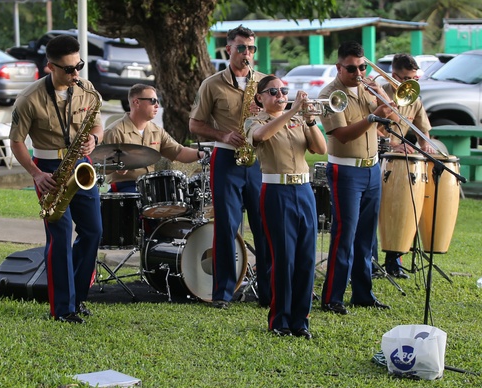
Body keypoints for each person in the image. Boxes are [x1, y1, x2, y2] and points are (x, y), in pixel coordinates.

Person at [9, 34, 103, 323]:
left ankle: (78, 295)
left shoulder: (87, 88)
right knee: (60, 237)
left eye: (79, 66)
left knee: (94, 231)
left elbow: (98, 121)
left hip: (81, 164)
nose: (76, 74)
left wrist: (95, 139)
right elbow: (16, 142)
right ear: (50, 66)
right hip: (49, 166)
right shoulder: (28, 98)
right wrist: (36, 175)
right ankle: (62, 308)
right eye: (69, 69)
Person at [189, 25, 271, 308]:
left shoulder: (264, 81)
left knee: (265, 226)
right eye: (241, 48)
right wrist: (223, 135)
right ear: (228, 50)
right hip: (226, 158)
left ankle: (270, 290)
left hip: (260, 159)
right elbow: (195, 124)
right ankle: (223, 292)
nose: (247, 54)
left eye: (251, 49)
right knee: (226, 226)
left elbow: (279, 114)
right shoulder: (211, 83)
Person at [245, 77, 326, 339]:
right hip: (276, 191)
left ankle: (301, 320)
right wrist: (292, 109)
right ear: (260, 98)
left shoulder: (299, 120)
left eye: (283, 91)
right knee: (284, 258)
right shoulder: (255, 120)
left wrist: (310, 119)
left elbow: (320, 148)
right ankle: (280, 320)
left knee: (306, 258)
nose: (280, 95)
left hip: (304, 190)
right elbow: (260, 137)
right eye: (273, 92)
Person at [318, 41, 394, 314]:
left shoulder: (366, 88)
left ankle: (363, 294)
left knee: (365, 236)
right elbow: (343, 134)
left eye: (363, 66)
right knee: (344, 234)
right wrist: (373, 117)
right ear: (339, 67)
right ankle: (332, 297)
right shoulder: (330, 95)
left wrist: (383, 97)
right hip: (345, 169)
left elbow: (390, 116)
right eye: (352, 68)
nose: (358, 72)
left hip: (372, 168)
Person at [377, 53, 435, 278]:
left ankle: (394, 262)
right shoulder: (378, 94)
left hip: (398, 163)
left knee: (399, 211)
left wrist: (427, 148)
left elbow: (423, 131)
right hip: (376, 157)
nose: (411, 85)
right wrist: (394, 144)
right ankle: (370, 261)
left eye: (415, 80)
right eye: (406, 80)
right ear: (393, 76)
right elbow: (370, 128)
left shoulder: (413, 98)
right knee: (376, 213)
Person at [102, 84, 207, 193]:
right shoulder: (114, 132)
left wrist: (201, 154)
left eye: (157, 101)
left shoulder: (157, 131)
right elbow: (99, 164)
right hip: (124, 187)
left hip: (151, 186)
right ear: (136, 102)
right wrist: (116, 167)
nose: (157, 105)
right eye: (152, 101)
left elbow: (179, 152)